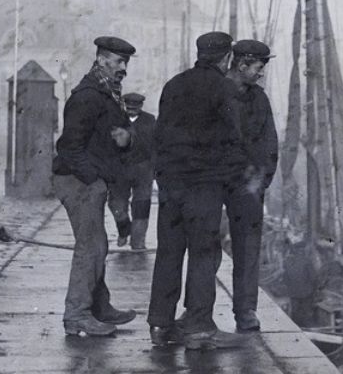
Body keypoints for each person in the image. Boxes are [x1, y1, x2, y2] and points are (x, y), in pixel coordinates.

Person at [148, 31, 249, 350]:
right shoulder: (225, 88)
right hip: (204, 185)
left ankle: (160, 324)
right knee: (204, 253)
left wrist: (163, 178)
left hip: (170, 185)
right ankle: (199, 327)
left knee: (169, 251)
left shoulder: (173, 85)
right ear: (226, 58)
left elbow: (159, 136)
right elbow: (236, 140)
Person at [51, 35, 141, 337]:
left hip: (87, 179)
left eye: (125, 62)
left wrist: (126, 139)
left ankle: (100, 307)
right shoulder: (88, 95)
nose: (123, 68)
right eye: (118, 61)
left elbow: (114, 139)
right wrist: (94, 180)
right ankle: (77, 315)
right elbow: (68, 147)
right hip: (78, 181)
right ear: (101, 60)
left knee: (97, 245)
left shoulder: (107, 93)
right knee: (90, 247)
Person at [224, 39, 278, 333]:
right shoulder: (215, 94)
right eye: (258, 68)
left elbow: (270, 143)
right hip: (215, 183)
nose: (260, 74)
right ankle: (197, 313)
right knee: (205, 248)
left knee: (247, 249)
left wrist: (261, 179)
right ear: (242, 65)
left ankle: (245, 310)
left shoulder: (259, 100)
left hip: (247, 187)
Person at [108, 93, 157, 250]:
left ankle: (138, 241)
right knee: (116, 203)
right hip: (120, 170)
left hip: (143, 169)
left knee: (142, 206)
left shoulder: (150, 120)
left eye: (135, 108)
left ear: (141, 107)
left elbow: (156, 145)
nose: (131, 111)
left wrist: (155, 167)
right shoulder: (115, 119)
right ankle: (124, 229)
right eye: (128, 107)